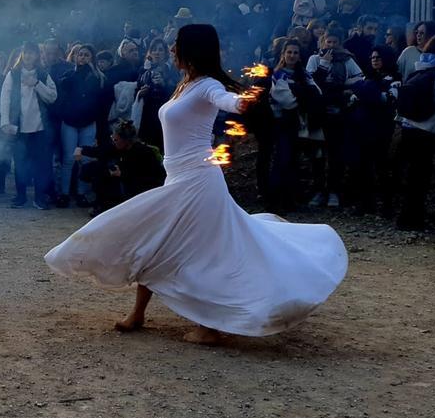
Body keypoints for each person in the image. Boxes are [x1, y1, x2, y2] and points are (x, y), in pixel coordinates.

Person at [45, 24, 347, 345]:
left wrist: (245, 99)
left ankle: (209, 327)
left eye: (177, 45)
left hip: (199, 182)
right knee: (158, 242)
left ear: (192, 49)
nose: (172, 50)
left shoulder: (207, 85)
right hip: (178, 178)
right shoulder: (185, 84)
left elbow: (227, 101)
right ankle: (138, 314)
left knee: (197, 252)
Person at [393, 34, 435, 231]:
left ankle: (405, 217)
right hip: (428, 129)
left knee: (411, 175)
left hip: (408, 126)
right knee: (421, 177)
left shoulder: (420, 67)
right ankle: (414, 219)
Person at [304, 31, 363, 209]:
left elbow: (359, 77)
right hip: (318, 114)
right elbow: (310, 82)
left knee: (336, 154)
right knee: (318, 155)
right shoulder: (314, 59)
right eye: (328, 41)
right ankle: (318, 190)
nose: (331, 45)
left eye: (334, 41)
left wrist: (344, 86)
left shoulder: (347, 60)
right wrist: (324, 64)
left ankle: (334, 190)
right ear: (323, 42)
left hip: (338, 113)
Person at [260, 39, 319, 214]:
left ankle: (290, 199)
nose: (292, 56)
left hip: (300, 123)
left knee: (294, 161)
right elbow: (286, 100)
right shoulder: (278, 75)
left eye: (296, 53)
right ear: (283, 54)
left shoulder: (305, 75)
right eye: (289, 52)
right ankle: (274, 201)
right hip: (283, 123)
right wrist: (304, 98)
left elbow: (316, 92)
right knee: (282, 160)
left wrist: (305, 97)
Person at [0, 42, 58, 209]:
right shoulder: (13, 74)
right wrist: (5, 121)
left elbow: (52, 96)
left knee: (41, 164)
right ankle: (21, 196)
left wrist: (36, 84)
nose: (29, 56)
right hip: (20, 127)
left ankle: (39, 198)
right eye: (26, 52)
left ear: (37, 55)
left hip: (40, 128)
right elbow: (5, 98)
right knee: (20, 163)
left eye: (32, 53)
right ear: (22, 54)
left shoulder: (43, 74)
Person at [72, 119, 165, 217]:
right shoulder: (119, 147)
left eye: (116, 140)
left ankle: (114, 206)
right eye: (112, 138)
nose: (113, 141)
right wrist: (81, 149)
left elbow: (146, 177)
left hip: (144, 188)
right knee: (95, 169)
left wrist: (122, 174)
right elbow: (101, 151)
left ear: (125, 140)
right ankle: (103, 205)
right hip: (126, 180)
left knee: (105, 176)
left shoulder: (141, 152)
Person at [348, 44, 399, 217]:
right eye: (372, 58)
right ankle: (365, 203)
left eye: (378, 57)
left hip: (381, 129)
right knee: (362, 167)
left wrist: (366, 92)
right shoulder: (368, 78)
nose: (375, 60)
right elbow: (353, 97)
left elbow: (388, 100)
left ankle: (386, 205)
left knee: (381, 167)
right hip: (362, 128)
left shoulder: (393, 79)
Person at [56, 44, 108, 208]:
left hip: (89, 122)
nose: (83, 58)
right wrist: (78, 73)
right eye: (80, 55)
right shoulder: (69, 74)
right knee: (69, 159)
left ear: (92, 58)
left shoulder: (98, 77)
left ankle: (82, 193)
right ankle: (64, 194)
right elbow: (63, 88)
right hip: (70, 121)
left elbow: (101, 101)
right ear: (75, 56)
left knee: (85, 159)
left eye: (86, 55)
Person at [133, 38, 179, 151]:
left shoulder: (172, 71)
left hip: (165, 115)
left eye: (160, 50)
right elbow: (136, 90)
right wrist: (141, 92)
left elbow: (177, 93)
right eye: (154, 50)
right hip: (147, 115)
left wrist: (163, 85)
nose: (157, 53)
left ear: (165, 53)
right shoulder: (144, 71)